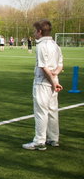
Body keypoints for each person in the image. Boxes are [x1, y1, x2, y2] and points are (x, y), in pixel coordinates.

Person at [23, 20, 63, 151]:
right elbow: (60, 65)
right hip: (53, 81)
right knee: (52, 111)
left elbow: (43, 67)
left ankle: (39, 141)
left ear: (40, 31)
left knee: (41, 112)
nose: (34, 33)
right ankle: (54, 139)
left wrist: (52, 81)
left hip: (43, 82)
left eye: (35, 31)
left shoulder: (41, 45)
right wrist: (55, 77)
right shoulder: (55, 45)